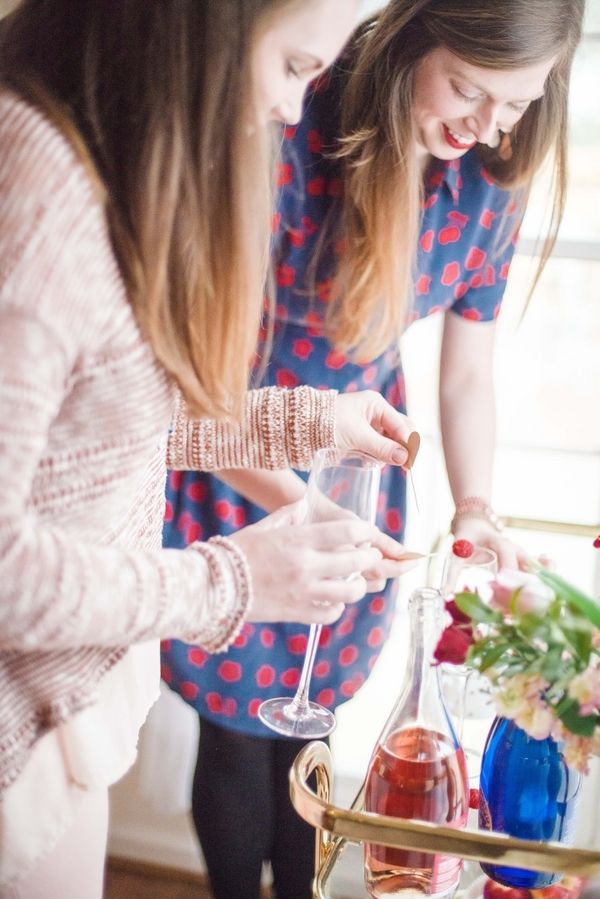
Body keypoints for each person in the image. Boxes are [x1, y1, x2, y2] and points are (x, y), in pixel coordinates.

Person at [0, 1, 427, 896]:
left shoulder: (94, 159)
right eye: (295, 67)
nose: (294, 108)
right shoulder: (34, 186)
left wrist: (310, 420)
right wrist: (228, 580)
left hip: (62, 714)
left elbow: (111, 427)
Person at [161, 1, 586, 897]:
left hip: (359, 469)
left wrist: (475, 506)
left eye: (515, 104)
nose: (487, 125)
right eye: (470, 88)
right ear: (410, 39)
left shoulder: (490, 179)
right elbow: (199, 371)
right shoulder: (294, 119)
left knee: (313, 727)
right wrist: (297, 508)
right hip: (237, 443)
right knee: (238, 737)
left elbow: (468, 374)